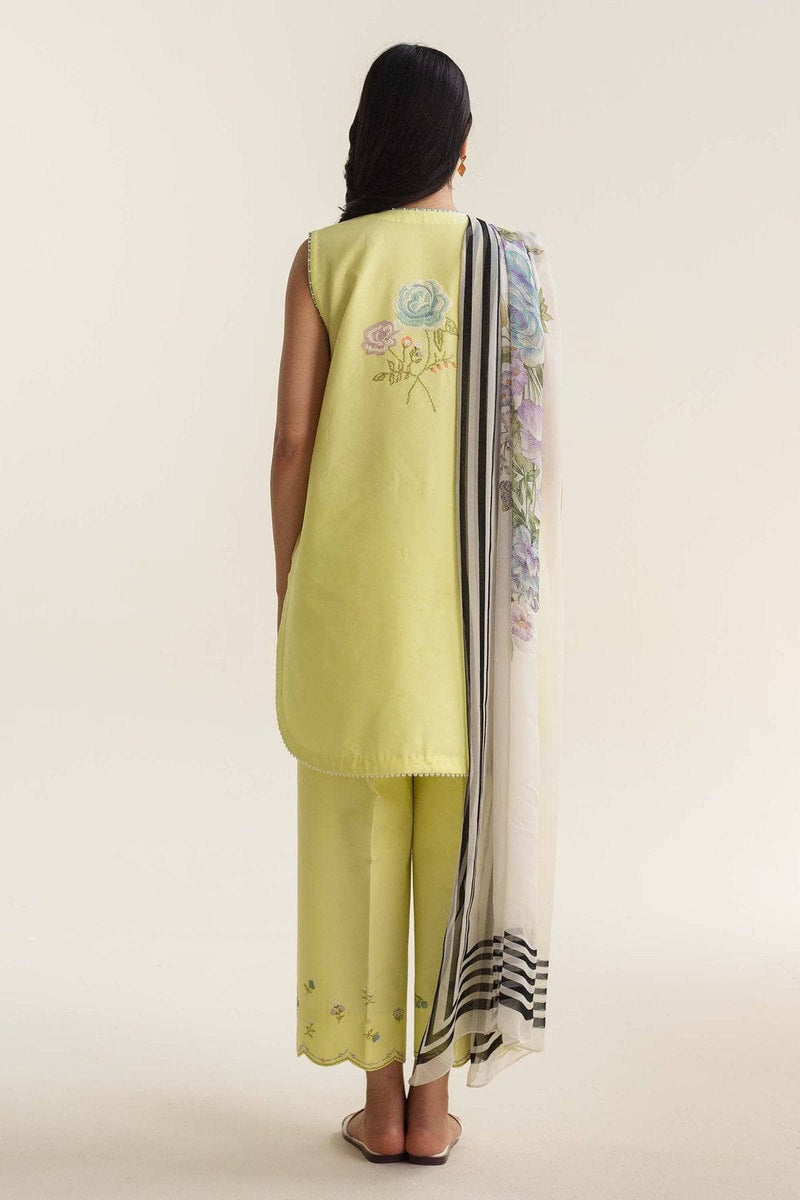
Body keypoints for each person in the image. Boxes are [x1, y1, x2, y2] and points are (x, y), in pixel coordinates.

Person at [271, 43, 564, 1166]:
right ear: (460, 146)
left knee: (357, 849)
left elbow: (293, 444)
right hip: (472, 628)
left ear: (370, 139)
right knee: (455, 852)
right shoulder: (514, 269)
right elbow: (531, 462)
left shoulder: (324, 258)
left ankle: (381, 1107)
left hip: (351, 608)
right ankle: (434, 1116)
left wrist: (290, 585)